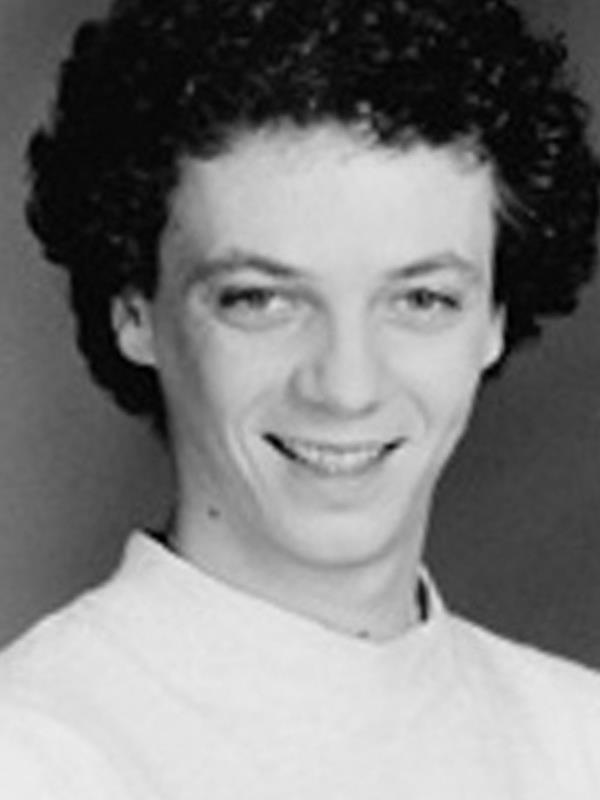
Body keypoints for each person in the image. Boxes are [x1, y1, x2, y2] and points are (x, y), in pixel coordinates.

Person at [1, 0, 599, 796]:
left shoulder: (577, 736)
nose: (347, 388)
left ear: (493, 319)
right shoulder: (37, 754)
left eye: (421, 299)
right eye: (262, 300)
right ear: (135, 312)